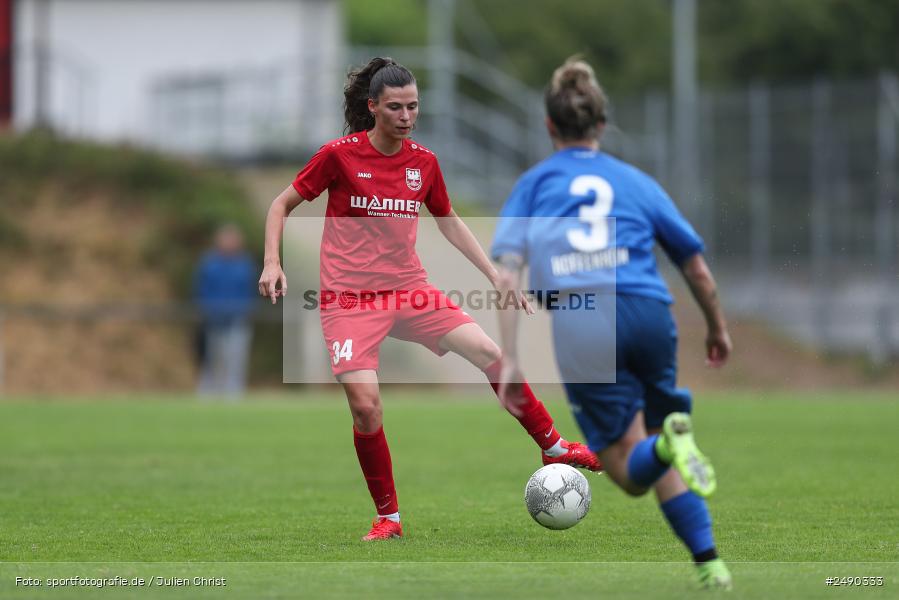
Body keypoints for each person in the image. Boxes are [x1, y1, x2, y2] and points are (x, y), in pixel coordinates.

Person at [258, 57, 601, 542]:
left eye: (413, 106)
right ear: (373, 107)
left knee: (488, 353)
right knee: (366, 405)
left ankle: (553, 445)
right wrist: (273, 262)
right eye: (395, 107)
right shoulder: (338, 155)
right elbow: (281, 204)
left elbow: (449, 220)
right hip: (349, 300)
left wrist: (494, 274)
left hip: (409, 289)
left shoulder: (424, 162)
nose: (406, 115)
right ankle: (390, 519)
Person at [491, 58, 734, 589]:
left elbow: (507, 275)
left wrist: (510, 356)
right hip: (650, 312)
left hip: (584, 318)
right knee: (645, 439)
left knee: (626, 469)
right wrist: (717, 327)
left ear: (550, 126)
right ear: (601, 125)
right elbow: (695, 267)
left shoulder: (534, 185)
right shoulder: (636, 182)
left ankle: (671, 443)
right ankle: (709, 562)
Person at [194, 224, 257, 399]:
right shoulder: (209, 264)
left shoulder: (244, 265)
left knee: (236, 360)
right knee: (211, 359)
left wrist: (245, 312)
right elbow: (201, 290)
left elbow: (250, 292)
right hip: (213, 321)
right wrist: (207, 312)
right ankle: (207, 394)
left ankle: (234, 395)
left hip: (238, 321)